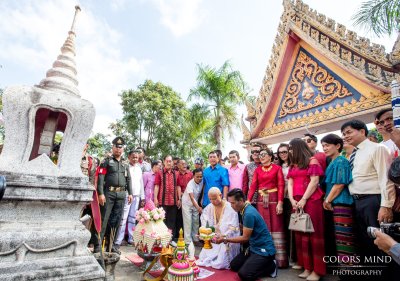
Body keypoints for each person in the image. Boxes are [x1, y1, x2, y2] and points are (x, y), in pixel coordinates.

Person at [341, 120, 395, 263]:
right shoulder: (355, 153)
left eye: (349, 132)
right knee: (366, 244)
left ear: (362, 131)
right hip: (358, 203)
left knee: (381, 245)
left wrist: (386, 206)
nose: (345, 136)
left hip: (373, 202)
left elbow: (385, 179)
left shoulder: (377, 149)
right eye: (343, 134)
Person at [215, 188, 277, 281]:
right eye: (230, 203)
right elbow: (244, 229)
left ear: (240, 201)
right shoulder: (244, 208)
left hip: (263, 250)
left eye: (233, 203)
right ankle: (254, 263)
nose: (231, 206)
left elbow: (245, 238)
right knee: (234, 265)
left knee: (244, 274)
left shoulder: (248, 213)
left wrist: (225, 239)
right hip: (253, 247)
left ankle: (271, 267)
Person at [287, 138, 325, 280]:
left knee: (313, 235)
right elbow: (290, 184)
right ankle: (307, 266)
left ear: (298, 148)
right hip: (296, 202)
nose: (290, 151)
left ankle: (317, 270)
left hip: (311, 201)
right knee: (301, 234)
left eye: (291, 148)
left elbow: (314, 181)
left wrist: (303, 199)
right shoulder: (293, 165)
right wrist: (292, 200)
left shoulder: (312, 161)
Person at [247, 147, 287, 268]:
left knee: (277, 227)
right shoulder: (258, 170)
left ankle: (280, 260)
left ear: (270, 156)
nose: (262, 156)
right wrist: (248, 200)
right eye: (260, 155)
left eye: (264, 154)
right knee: (262, 226)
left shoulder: (277, 168)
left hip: (274, 200)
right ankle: (264, 258)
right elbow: (253, 186)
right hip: (260, 201)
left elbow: (281, 185)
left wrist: (280, 203)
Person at [321, 134, 356, 261]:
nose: (325, 148)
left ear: (337, 146)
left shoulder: (341, 161)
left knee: (345, 239)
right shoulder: (332, 161)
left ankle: (350, 272)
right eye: (323, 146)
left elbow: (339, 184)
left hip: (342, 203)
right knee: (339, 238)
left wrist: (327, 200)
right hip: (334, 202)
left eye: (327, 145)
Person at [97, 137, 132, 254]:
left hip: (121, 194)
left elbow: (129, 179)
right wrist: (100, 193)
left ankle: (111, 246)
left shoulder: (125, 163)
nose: (118, 149)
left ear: (123, 149)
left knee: (116, 221)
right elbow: (101, 178)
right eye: (116, 147)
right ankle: (98, 246)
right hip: (108, 194)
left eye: (120, 147)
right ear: (112, 147)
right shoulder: (106, 161)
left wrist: (130, 193)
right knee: (104, 219)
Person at [197, 187, 240, 269]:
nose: (212, 201)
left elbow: (233, 228)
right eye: (210, 199)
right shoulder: (209, 207)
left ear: (220, 195)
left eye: (214, 199)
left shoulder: (230, 207)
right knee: (202, 258)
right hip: (214, 238)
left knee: (220, 264)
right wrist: (205, 233)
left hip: (226, 240)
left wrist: (223, 237)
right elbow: (204, 220)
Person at [114, 150, 145, 248]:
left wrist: (142, 197)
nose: (135, 159)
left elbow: (141, 184)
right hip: (127, 195)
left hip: (137, 196)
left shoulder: (139, 169)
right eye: (133, 157)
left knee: (132, 218)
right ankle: (118, 240)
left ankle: (131, 239)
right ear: (129, 157)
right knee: (123, 218)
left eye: (137, 157)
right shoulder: (126, 167)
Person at [277, 143, 297, 266]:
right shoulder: (277, 166)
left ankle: (294, 257)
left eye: (285, 152)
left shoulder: (295, 164)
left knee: (293, 227)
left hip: (293, 198)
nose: (283, 154)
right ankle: (286, 256)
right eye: (280, 153)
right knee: (283, 227)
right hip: (281, 199)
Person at [154, 155, 179, 239]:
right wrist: (155, 199)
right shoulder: (159, 173)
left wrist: (179, 199)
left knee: (172, 222)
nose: (169, 163)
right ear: (164, 162)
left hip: (174, 202)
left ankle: (170, 239)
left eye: (170, 161)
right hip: (162, 201)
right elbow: (157, 186)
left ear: (172, 162)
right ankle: (161, 239)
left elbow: (178, 186)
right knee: (162, 221)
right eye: (167, 161)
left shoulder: (176, 173)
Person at [182, 168, 204, 257]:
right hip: (187, 203)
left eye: (200, 176)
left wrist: (199, 205)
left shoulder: (202, 182)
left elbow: (201, 194)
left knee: (195, 221)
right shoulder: (190, 184)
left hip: (196, 203)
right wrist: (198, 208)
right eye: (197, 176)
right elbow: (191, 197)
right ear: (193, 176)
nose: (199, 178)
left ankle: (195, 239)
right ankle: (187, 242)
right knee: (188, 222)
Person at [176, 158, 193, 238]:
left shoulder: (190, 174)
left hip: (190, 198)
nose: (184, 165)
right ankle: (179, 235)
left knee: (188, 218)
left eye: (185, 163)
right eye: (182, 164)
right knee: (179, 217)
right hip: (179, 197)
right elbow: (177, 186)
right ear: (178, 165)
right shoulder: (176, 174)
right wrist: (180, 196)